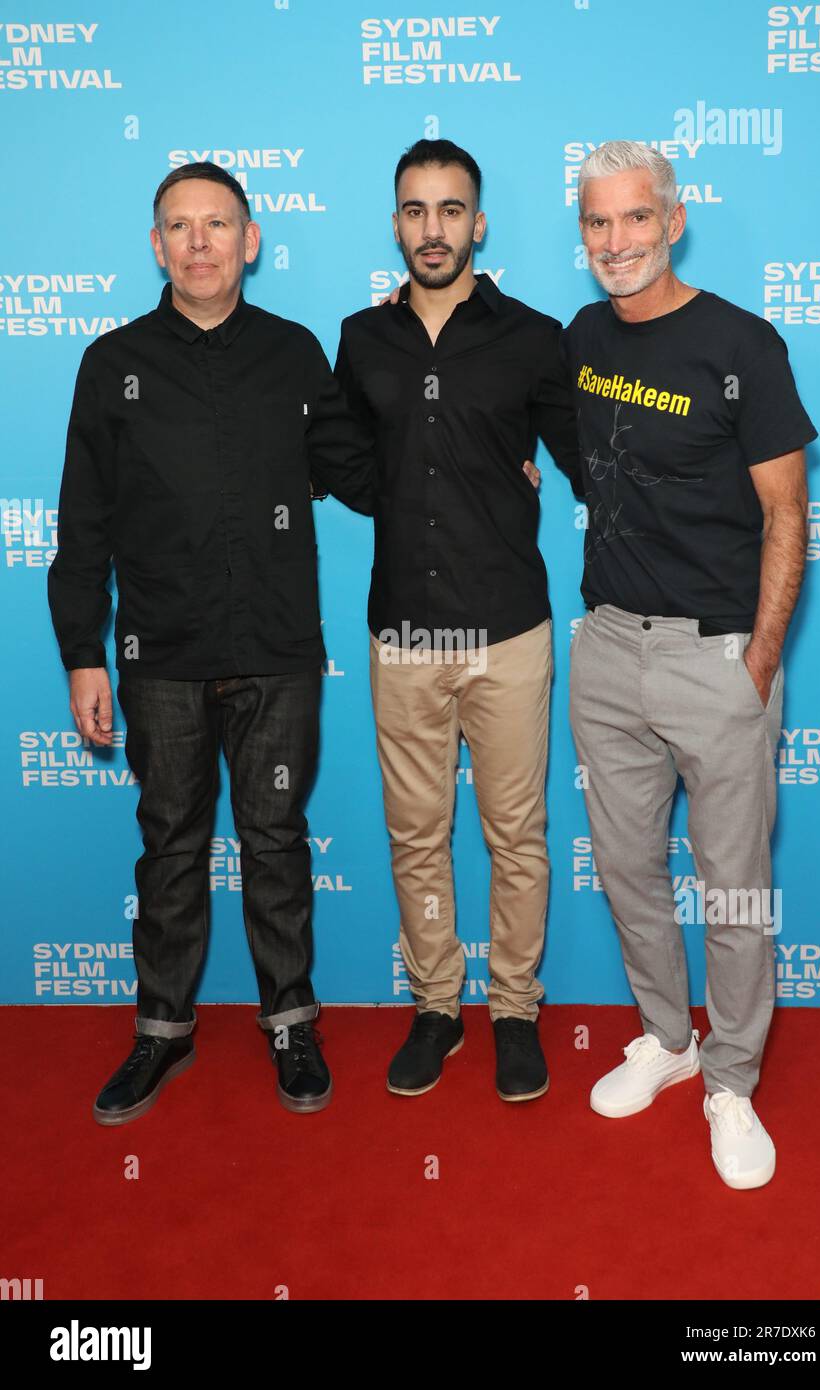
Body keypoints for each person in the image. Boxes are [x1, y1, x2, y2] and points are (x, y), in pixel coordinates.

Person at [47, 162, 375, 1125]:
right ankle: (163, 1031)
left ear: (251, 241)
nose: (199, 242)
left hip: (277, 650)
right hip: (159, 657)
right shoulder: (112, 364)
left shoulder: (295, 353)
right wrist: (82, 652)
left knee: (274, 839)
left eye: (217, 224)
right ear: (157, 246)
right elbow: (82, 523)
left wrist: (470, 449)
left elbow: (357, 471)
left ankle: (289, 1021)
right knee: (171, 843)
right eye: (179, 227)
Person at [565, 141, 816, 1188]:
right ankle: (666, 1037)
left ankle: (729, 1080)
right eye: (595, 223)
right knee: (626, 869)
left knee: (734, 889)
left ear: (671, 221)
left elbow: (784, 510)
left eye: (634, 219)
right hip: (606, 647)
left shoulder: (740, 343)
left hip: (716, 658)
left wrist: (757, 659)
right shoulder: (578, 337)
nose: (615, 241)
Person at [331, 139, 581, 1102]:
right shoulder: (361, 338)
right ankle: (439, 1005)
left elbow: (585, 459)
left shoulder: (533, 335)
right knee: (417, 833)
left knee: (516, 832)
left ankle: (514, 1010)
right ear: (396, 222)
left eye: (450, 210)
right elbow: (333, 449)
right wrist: (400, 491)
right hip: (403, 631)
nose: (432, 228)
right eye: (414, 209)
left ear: (479, 223)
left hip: (510, 627)